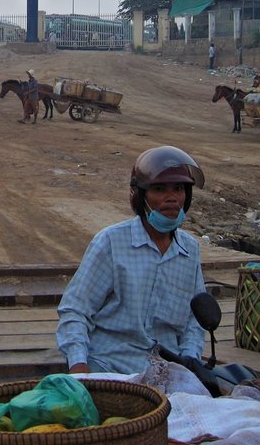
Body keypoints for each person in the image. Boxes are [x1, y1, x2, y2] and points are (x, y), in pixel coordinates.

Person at [56, 145, 207, 375]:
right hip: (109, 365)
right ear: (140, 196)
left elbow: (194, 323)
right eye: (159, 189)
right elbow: (76, 309)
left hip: (167, 371)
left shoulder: (190, 250)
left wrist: (189, 363)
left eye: (178, 189)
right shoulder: (111, 242)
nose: (172, 198)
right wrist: (79, 367)